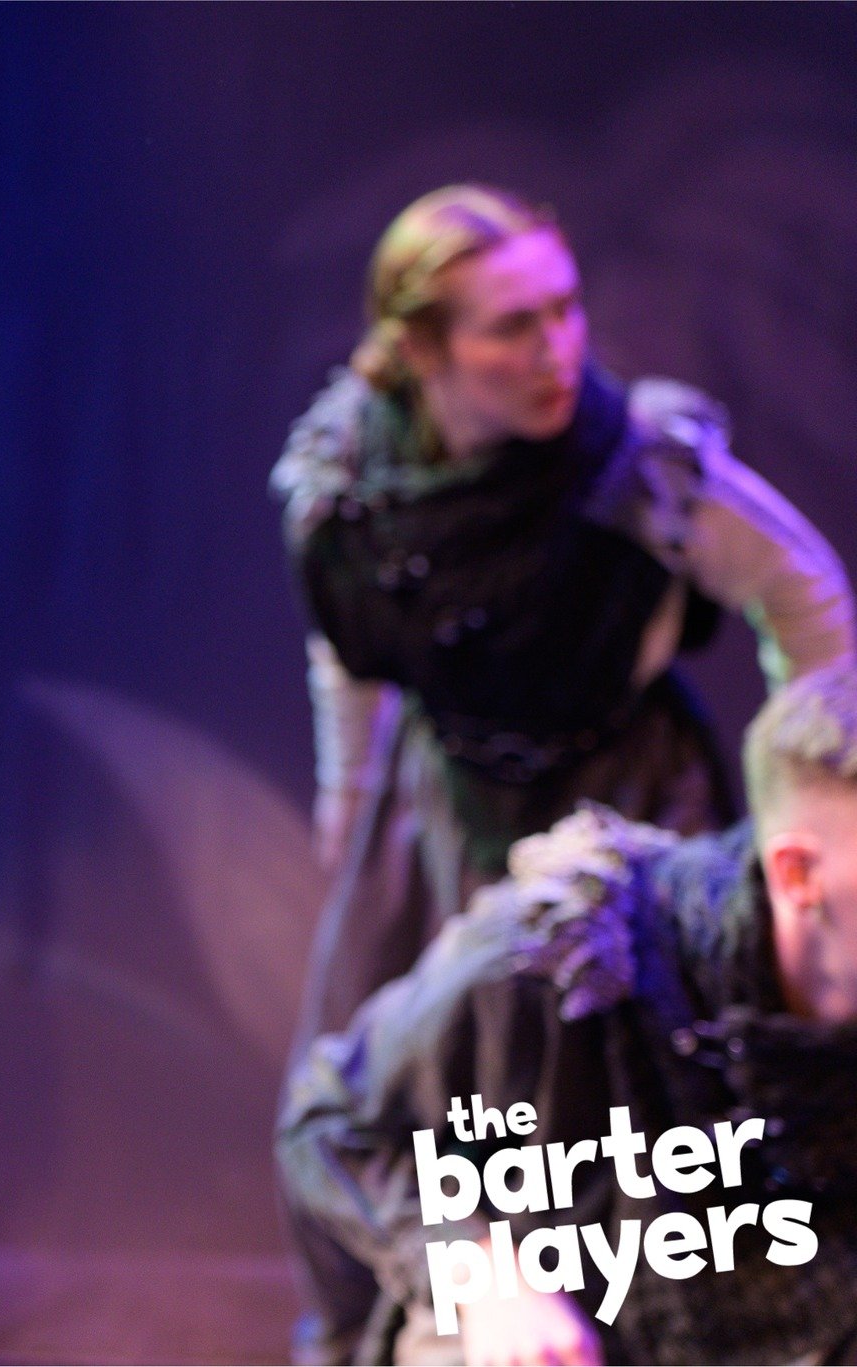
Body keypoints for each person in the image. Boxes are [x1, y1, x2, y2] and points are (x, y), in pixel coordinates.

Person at [270, 183, 855, 1362]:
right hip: (446, 807)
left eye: (564, 308)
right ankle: (432, 1307)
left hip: (624, 788)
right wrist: (347, 802)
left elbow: (802, 594)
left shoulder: (638, 467)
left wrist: (813, 786)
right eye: (511, 326)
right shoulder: (350, 493)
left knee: (646, 1101)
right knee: (409, 1088)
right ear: (422, 350)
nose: (557, 349)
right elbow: (350, 651)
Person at [278, 660, 857, 1365]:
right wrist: (479, 1270)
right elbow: (326, 1123)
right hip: (569, 1322)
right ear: (799, 875)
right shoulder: (573, 946)